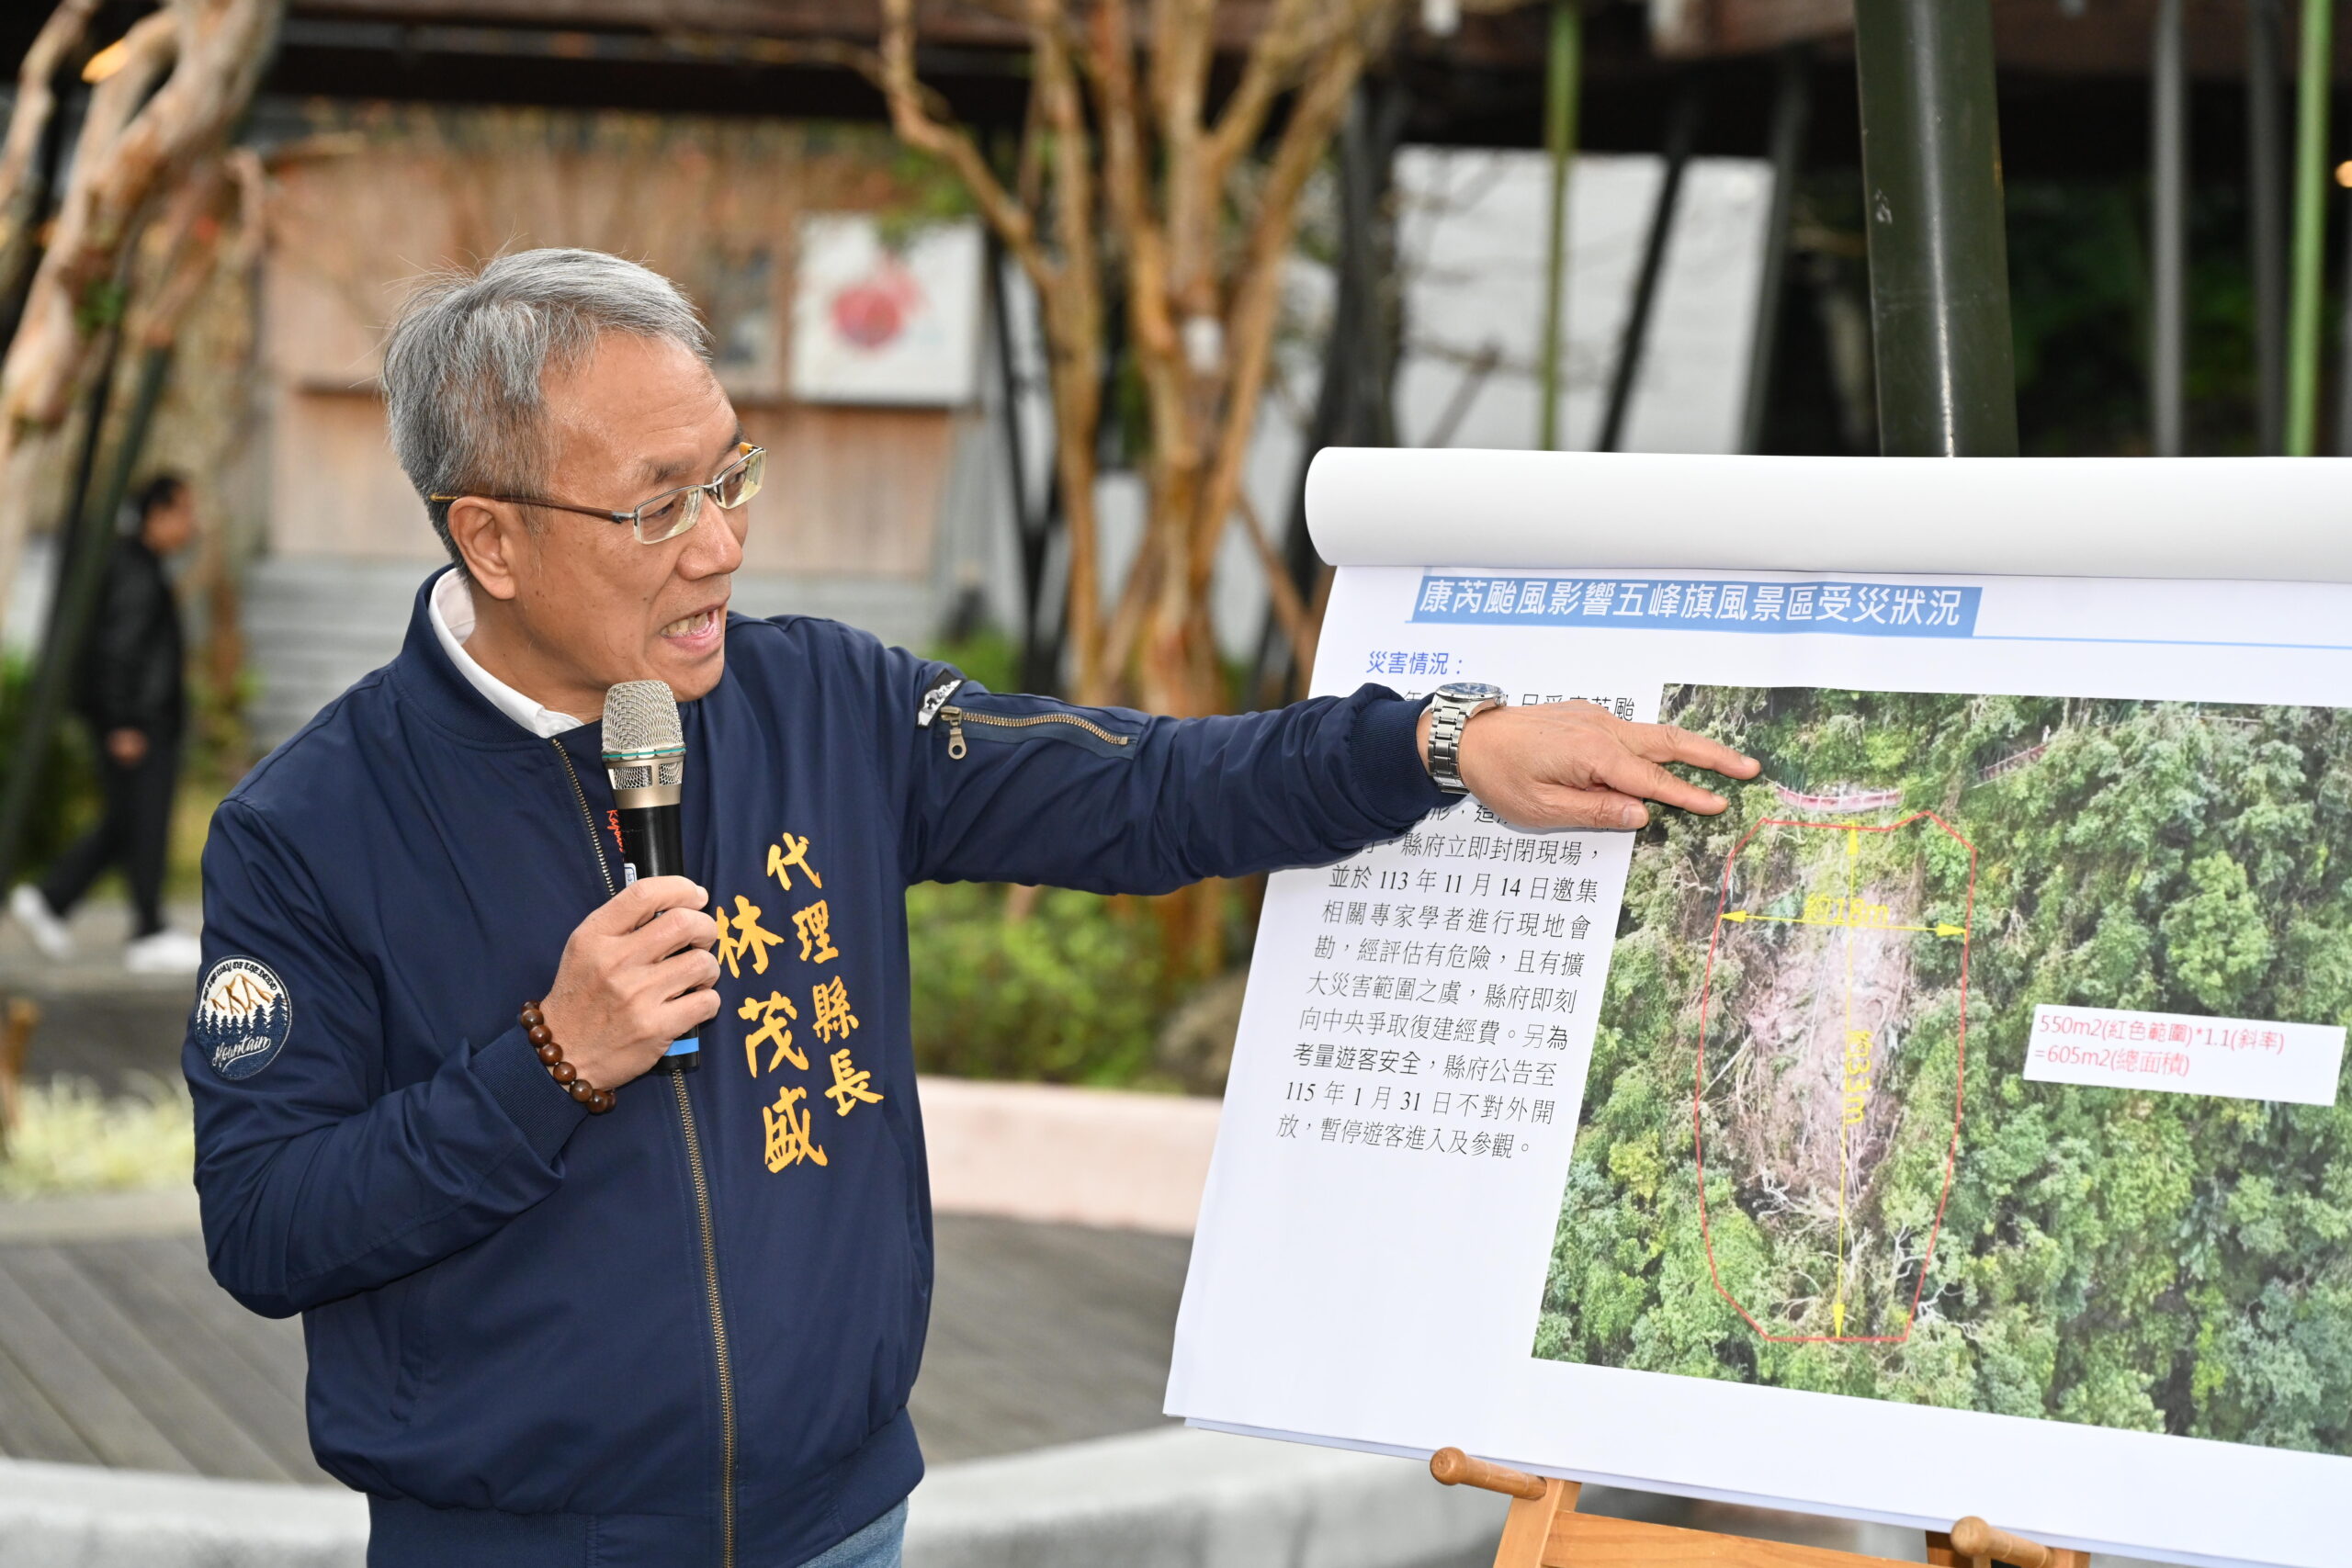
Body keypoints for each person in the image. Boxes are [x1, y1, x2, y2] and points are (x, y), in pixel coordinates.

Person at [184, 250, 1758, 1568]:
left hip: (846, 1524)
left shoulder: (828, 705)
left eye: (729, 474)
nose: (723, 543)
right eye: (658, 505)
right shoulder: (310, 831)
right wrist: (549, 1058)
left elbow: (1147, 790)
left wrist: (1441, 741)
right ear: (493, 538)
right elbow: (267, 1223)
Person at [10, 473, 203, 974]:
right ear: (156, 514)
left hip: (139, 722)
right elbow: (119, 651)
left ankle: (52, 900)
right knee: (145, 822)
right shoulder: (136, 573)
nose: (191, 523)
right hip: (137, 726)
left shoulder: (141, 567)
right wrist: (123, 722)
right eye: (183, 511)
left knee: (128, 823)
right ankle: (148, 930)